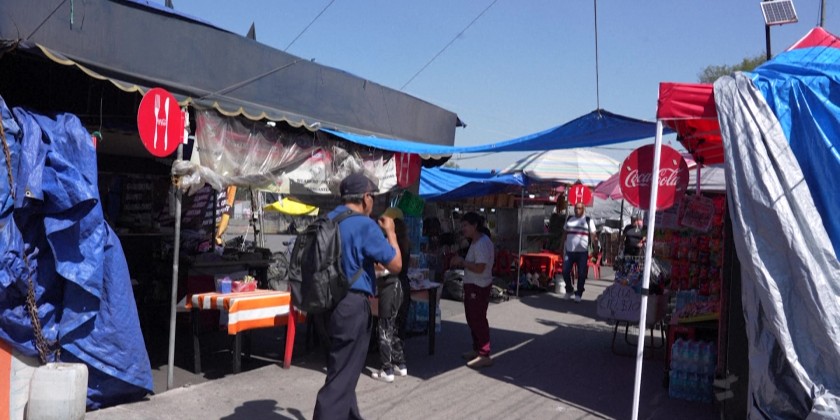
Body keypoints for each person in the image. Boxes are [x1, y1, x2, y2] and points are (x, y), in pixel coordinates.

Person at [313, 173, 402, 420]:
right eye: (372, 196)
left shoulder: (327, 220)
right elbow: (395, 264)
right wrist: (391, 233)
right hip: (351, 306)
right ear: (365, 198)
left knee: (343, 369)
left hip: (323, 303)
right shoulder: (364, 225)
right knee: (341, 378)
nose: (373, 201)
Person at [449, 212, 495, 369]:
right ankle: (477, 349)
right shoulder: (476, 242)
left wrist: (463, 262)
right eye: (462, 225)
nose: (463, 229)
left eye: (466, 225)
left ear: (475, 226)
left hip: (479, 285)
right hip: (473, 284)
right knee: (472, 318)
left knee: (478, 319)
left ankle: (484, 353)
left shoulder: (482, 243)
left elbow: (480, 268)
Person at [371, 207, 411, 383]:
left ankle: (387, 369)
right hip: (403, 287)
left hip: (390, 287)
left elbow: (383, 266)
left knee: (384, 328)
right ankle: (400, 364)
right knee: (395, 328)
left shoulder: (390, 243)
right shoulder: (405, 242)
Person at [560, 203, 598, 303]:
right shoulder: (569, 219)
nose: (577, 210)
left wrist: (595, 248)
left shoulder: (588, 220)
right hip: (569, 251)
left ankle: (579, 293)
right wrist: (560, 247)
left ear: (583, 209)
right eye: (576, 208)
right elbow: (564, 234)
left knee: (581, 274)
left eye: (580, 208)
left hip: (582, 252)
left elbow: (593, 235)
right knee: (565, 271)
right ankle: (569, 290)